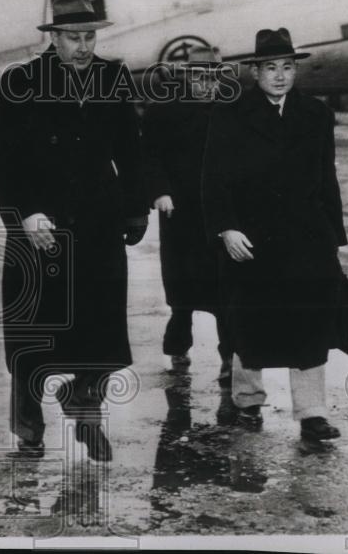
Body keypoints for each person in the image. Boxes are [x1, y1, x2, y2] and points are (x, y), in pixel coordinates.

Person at [0, 0, 148, 462]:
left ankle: (86, 409)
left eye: (89, 36)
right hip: (40, 226)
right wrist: (25, 214)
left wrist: (136, 209)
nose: (83, 46)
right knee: (33, 336)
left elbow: (130, 149)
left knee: (103, 331)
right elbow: (0, 160)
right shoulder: (21, 82)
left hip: (98, 221)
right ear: (53, 38)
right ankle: (28, 431)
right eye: (73, 37)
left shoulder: (111, 77)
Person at [201, 27, 347, 442]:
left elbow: (327, 176)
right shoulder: (230, 115)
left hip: (306, 237)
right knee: (252, 319)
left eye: (287, 67)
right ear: (254, 72)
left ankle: (312, 413)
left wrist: (333, 237)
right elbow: (214, 179)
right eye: (270, 68)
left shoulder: (316, 114)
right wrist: (226, 228)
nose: (280, 75)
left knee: (309, 320)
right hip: (252, 237)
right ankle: (248, 402)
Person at [141, 46, 237, 424]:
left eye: (212, 76)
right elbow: (149, 154)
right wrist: (159, 190)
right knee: (182, 285)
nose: (206, 84)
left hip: (219, 213)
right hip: (179, 211)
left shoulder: (230, 111)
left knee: (225, 287)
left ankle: (230, 354)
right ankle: (178, 335)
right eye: (199, 76)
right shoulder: (163, 109)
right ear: (185, 76)